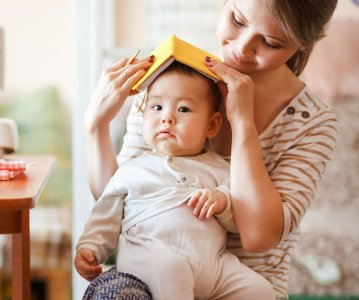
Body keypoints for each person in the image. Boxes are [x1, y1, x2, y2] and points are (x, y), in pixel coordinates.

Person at [83, 0, 339, 299]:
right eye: (238, 20)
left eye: (270, 42)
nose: (243, 48)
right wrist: (96, 126)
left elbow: (258, 236)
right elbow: (120, 196)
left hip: (240, 284)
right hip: (154, 276)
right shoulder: (170, 79)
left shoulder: (311, 123)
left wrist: (242, 122)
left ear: (302, 44)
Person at [75, 62, 275, 299]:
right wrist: (90, 247)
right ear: (143, 115)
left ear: (211, 125)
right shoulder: (131, 170)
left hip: (213, 266)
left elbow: (240, 217)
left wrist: (222, 200)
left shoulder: (222, 170)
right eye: (157, 107)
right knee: (171, 269)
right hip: (151, 256)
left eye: (183, 110)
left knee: (259, 290)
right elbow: (105, 213)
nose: (167, 118)